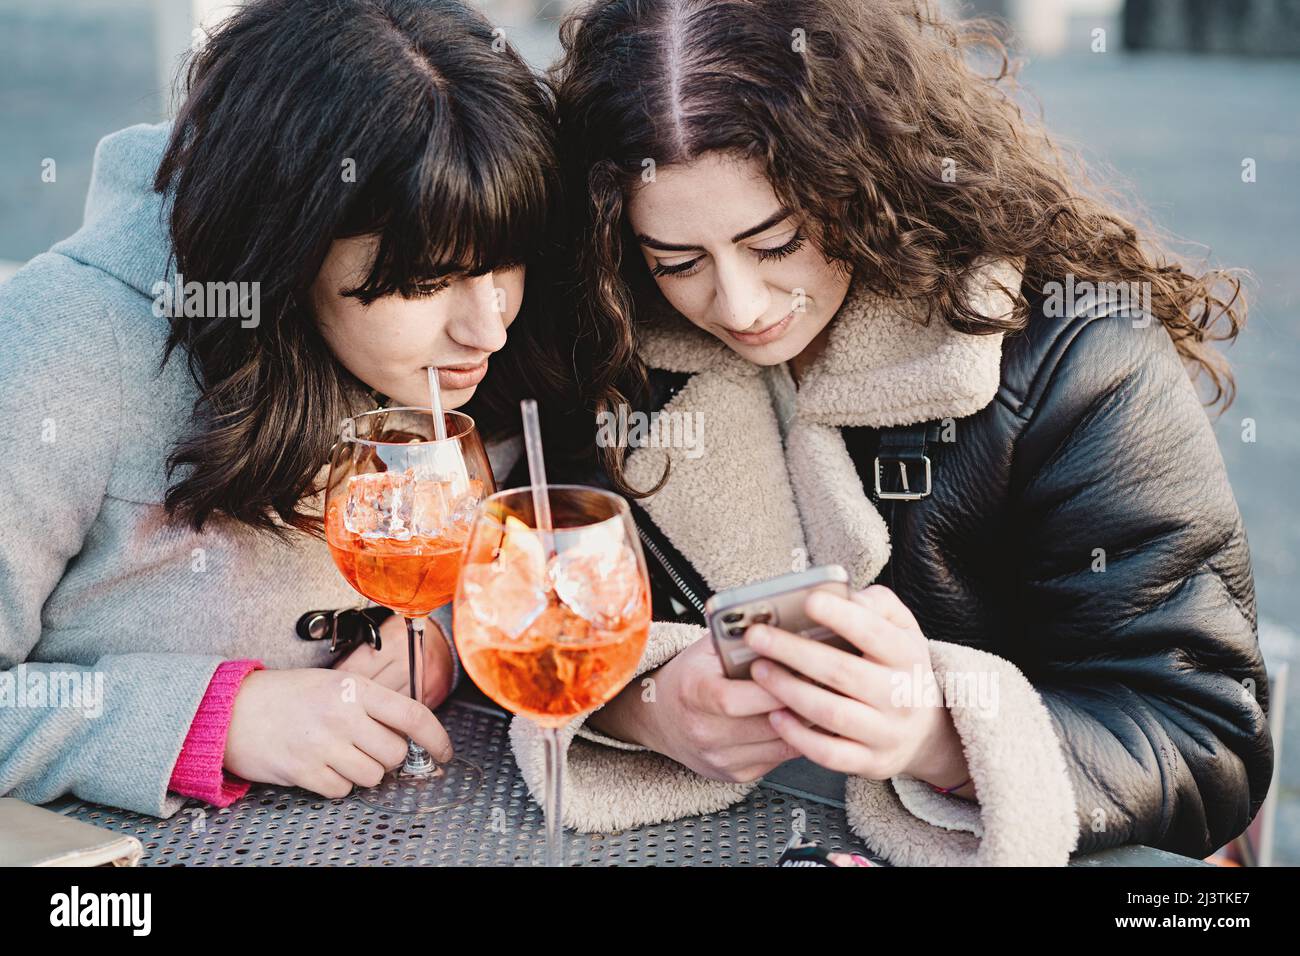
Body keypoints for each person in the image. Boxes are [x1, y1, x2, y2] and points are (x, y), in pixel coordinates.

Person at [504, 0, 1274, 865]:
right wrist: (644, 708)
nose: (741, 306)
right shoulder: (606, 345)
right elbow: (521, 634)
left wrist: (942, 736)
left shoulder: (1081, 359)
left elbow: (1209, 746)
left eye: (778, 242)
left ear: (863, 176)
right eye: (677, 262)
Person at [0, 0, 561, 817]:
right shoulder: (63, 349)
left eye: (505, 263)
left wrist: (431, 636)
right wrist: (207, 718)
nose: (489, 325)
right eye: (426, 282)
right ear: (287, 253)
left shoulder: (483, 346)